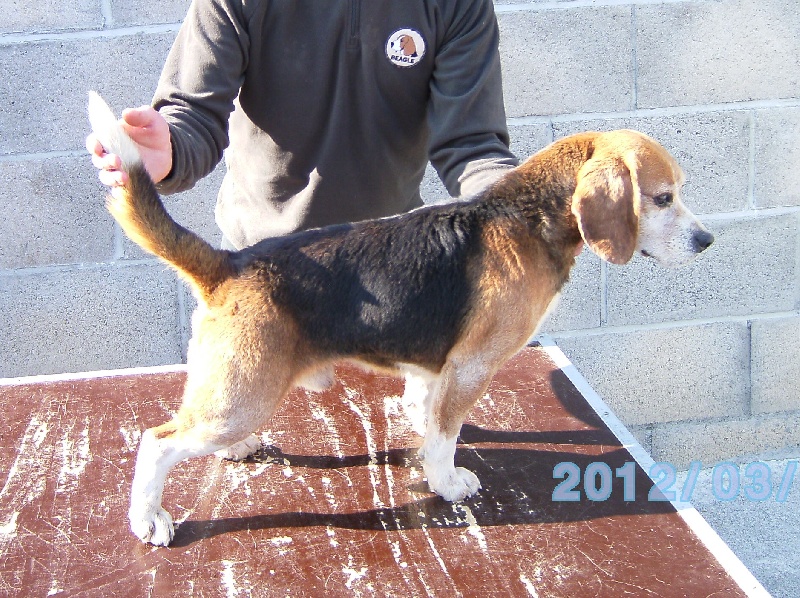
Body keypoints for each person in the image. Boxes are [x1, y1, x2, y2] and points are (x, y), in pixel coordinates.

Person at [87, 0, 519, 250]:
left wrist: (524, 209)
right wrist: (170, 150)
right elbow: (194, 114)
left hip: (391, 264)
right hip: (257, 265)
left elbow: (473, 145)